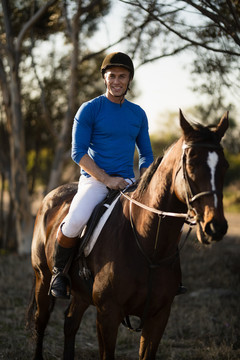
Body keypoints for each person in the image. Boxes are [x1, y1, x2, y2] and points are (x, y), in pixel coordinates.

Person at [49, 52, 154, 299]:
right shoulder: (89, 109)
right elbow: (78, 152)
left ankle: (164, 277)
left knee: (155, 222)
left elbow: (147, 154)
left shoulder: (138, 114)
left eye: (123, 76)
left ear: (129, 80)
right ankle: (58, 272)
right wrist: (107, 180)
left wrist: (144, 180)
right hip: (95, 181)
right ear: (105, 78)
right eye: (112, 76)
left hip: (128, 183)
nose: (117, 81)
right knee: (75, 221)